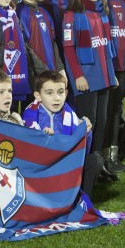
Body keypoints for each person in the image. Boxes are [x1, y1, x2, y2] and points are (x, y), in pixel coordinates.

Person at [62, 0, 119, 182]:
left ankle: (98, 166)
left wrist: (111, 74)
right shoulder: (71, 15)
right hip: (86, 78)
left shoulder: (102, 12)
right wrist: (78, 76)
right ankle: (83, 168)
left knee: (102, 121)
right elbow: (68, 48)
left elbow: (106, 48)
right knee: (89, 122)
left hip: (103, 77)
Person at [22, 70, 100, 199]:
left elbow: (83, 153)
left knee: (94, 160)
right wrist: (42, 139)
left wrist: (86, 133)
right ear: (38, 95)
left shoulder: (72, 116)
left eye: (60, 92)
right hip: (41, 171)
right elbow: (26, 154)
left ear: (66, 93)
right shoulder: (28, 117)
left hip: (64, 167)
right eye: (49, 93)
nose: (56, 98)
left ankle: (82, 202)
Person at [96, 0, 125, 172]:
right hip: (104, 68)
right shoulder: (98, 4)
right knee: (104, 113)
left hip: (120, 68)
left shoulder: (122, 3)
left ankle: (113, 156)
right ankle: (100, 157)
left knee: (116, 110)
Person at [14, 0, 63, 73]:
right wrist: (42, 71)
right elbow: (25, 47)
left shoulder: (45, 10)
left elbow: (53, 41)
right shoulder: (20, 12)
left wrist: (60, 69)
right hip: (37, 77)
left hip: (52, 75)